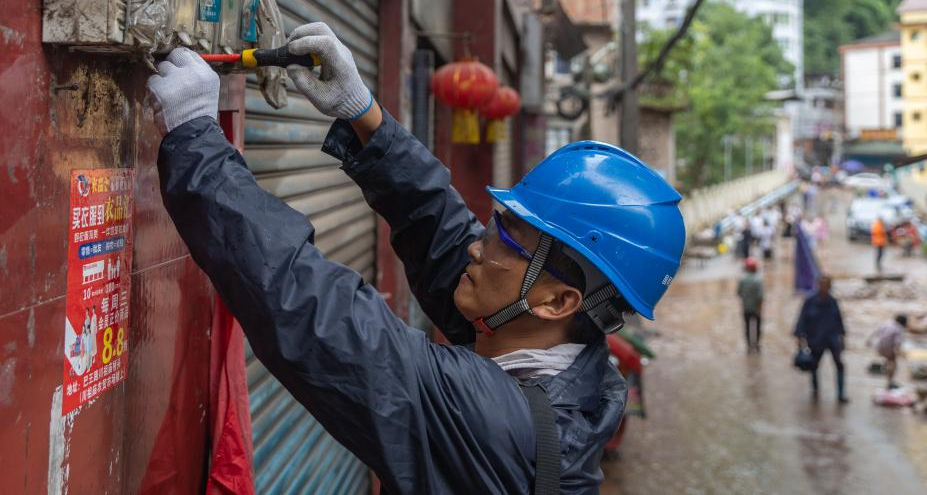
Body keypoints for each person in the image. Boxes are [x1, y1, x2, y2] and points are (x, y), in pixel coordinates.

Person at [145, 27, 688, 495]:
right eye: (495, 225)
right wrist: (365, 115)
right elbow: (444, 233)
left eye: (508, 239)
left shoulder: (494, 421)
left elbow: (319, 315)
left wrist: (197, 139)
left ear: (558, 300)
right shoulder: (563, 360)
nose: (479, 245)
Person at [793, 275, 848, 403]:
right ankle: (815, 391)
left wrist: (842, 338)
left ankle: (840, 394)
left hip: (832, 339)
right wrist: (801, 339)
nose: (824, 288)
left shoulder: (833, 301)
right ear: (818, 285)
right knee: (814, 366)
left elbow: (839, 320)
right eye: (821, 285)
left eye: (826, 286)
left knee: (839, 365)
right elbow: (802, 320)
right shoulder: (810, 301)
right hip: (816, 339)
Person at [868, 314, 907, 389]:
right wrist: (898, 353)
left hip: (879, 346)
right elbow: (897, 343)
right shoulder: (899, 329)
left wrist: (869, 340)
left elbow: (876, 331)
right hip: (888, 348)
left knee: (888, 361)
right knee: (893, 363)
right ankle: (889, 381)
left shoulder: (887, 322)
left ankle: (887, 372)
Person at [736, 258, 764, 352]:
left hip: (746, 308)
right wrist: (759, 309)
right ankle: (756, 344)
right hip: (756, 309)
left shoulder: (742, 279)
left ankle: (748, 345)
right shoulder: (758, 280)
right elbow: (760, 296)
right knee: (758, 327)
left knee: (747, 327)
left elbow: (738, 293)